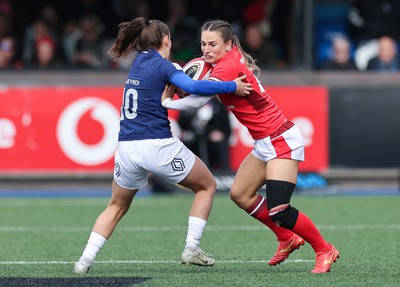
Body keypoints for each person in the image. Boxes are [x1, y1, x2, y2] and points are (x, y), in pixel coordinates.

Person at [74, 17, 252, 274]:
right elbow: (191, 86)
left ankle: (84, 260)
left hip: (126, 147)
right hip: (156, 145)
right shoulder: (164, 65)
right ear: (166, 40)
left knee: (116, 206)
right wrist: (231, 85)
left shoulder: (138, 62)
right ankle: (191, 248)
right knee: (207, 186)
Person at [162, 19, 339, 274]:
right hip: (264, 142)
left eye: (213, 44)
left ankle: (324, 249)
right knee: (240, 194)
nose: (206, 49)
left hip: (281, 140)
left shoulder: (228, 66)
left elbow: (196, 102)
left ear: (228, 45)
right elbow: (198, 84)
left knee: (280, 209)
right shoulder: (221, 62)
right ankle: (286, 237)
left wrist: (167, 102)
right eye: (203, 43)